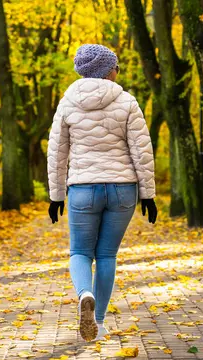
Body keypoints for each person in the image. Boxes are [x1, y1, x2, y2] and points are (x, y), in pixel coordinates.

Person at [47, 44, 157, 342]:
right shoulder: (127, 101)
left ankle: (84, 293)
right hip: (123, 189)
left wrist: (56, 195)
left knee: (80, 252)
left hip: (83, 188)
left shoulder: (67, 102)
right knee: (106, 255)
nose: (118, 71)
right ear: (109, 71)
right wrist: (148, 194)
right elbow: (142, 151)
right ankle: (98, 321)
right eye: (116, 67)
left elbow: (57, 152)